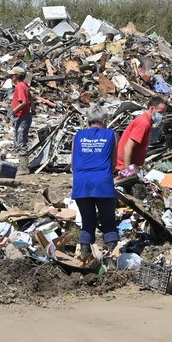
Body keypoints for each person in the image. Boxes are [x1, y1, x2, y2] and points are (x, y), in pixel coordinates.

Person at [71, 106, 119, 260]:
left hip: (81, 184)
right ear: (104, 121)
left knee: (87, 222)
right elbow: (113, 163)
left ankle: (85, 258)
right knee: (108, 222)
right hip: (103, 183)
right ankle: (112, 260)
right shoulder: (111, 134)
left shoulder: (77, 136)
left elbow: (73, 164)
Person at [116, 96, 167, 175]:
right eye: (160, 112)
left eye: (163, 113)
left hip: (133, 167)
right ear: (152, 109)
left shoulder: (147, 122)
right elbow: (128, 147)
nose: (161, 116)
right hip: (123, 168)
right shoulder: (143, 124)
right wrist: (127, 171)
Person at [9, 66, 32, 153]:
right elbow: (30, 97)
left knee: (21, 140)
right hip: (25, 115)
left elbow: (24, 102)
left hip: (22, 116)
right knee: (20, 137)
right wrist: (32, 109)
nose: (11, 77)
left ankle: (22, 162)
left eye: (12, 75)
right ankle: (20, 157)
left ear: (16, 76)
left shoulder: (20, 86)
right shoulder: (25, 85)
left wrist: (13, 111)